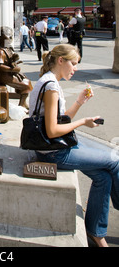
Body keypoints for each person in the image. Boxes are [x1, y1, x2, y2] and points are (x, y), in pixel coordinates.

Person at [28, 44, 119, 247]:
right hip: (53, 152)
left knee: (103, 177)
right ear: (61, 61)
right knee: (114, 161)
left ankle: (96, 232)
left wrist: (79, 102)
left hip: (51, 146)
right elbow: (52, 131)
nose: (76, 68)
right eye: (74, 63)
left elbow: (60, 122)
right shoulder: (51, 86)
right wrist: (84, 122)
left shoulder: (50, 82)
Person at [0, 26, 32, 109]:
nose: (11, 37)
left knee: (26, 80)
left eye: (11, 35)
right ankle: (22, 104)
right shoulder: (0, 51)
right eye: (8, 35)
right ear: (0, 37)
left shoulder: (8, 48)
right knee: (26, 85)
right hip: (3, 76)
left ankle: (23, 103)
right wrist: (12, 69)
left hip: (10, 73)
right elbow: (0, 66)